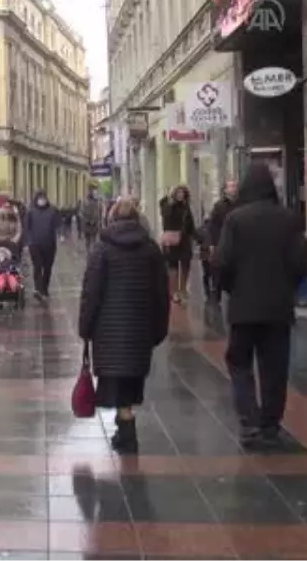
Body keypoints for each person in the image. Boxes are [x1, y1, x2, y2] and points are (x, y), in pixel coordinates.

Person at [215, 162, 307, 449]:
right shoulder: (288, 219)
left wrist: (232, 289)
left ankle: (249, 421)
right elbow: (300, 262)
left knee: (239, 362)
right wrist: (287, 288)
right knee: (275, 367)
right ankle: (270, 423)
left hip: (243, 307)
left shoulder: (235, 219)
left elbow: (223, 262)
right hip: (278, 307)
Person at [78, 196, 170, 453]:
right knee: (131, 380)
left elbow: (91, 293)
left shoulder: (102, 249)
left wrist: (85, 327)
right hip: (140, 329)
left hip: (108, 330)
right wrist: (159, 329)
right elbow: (161, 294)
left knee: (117, 380)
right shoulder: (151, 249)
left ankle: (127, 431)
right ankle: (125, 428)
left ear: (112, 217)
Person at [158, 185, 197, 303]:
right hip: (172, 240)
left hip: (185, 239)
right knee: (173, 266)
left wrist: (194, 236)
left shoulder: (186, 207)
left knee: (185, 265)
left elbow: (190, 223)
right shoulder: (168, 206)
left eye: (182, 193)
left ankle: (183, 290)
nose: (180, 195)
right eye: (178, 193)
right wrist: (169, 200)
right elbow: (165, 216)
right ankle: (173, 291)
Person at [206, 181, 238, 300]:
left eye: (235, 186)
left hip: (236, 241)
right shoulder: (219, 206)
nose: (234, 188)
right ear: (225, 190)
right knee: (220, 268)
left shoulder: (240, 204)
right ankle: (217, 292)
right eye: (231, 186)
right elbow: (212, 225)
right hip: (222, 240)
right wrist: (212, 244)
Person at [24, 190, 59, 298]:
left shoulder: (53, 210)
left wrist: (61, 235)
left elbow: (58, 224)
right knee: (37, 266)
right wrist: (27, 242)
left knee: (48, 267)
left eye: (43, 197)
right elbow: (26, 227)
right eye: (40, 198)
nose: (42, 200)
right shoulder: (30, 211)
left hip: (49, 244)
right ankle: (38, 288)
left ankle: (45, 287)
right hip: (35, 244)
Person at [79, 186, 104, 251]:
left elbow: (82, 213)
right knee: (91, 239)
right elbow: (98, 214)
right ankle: (91, 251)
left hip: (90, 224)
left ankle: (90, 251)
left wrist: (89, 221)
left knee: (90, 239)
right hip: (91, 224)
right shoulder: (93, 203)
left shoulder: (86, 203)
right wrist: (91, 221)